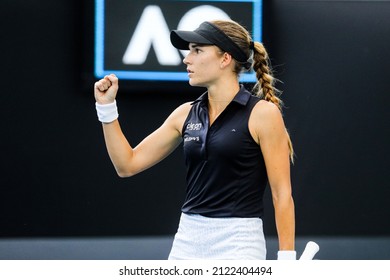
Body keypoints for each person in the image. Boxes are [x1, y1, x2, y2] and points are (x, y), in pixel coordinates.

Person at [94, 20, 295, 260]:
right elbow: (127, 164)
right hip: (187, 240)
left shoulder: (263, 114)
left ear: (225, 59)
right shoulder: (184, 113)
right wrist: (106, 108)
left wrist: (287, 261)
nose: (186, 59)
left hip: (239, 243)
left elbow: (281, 194)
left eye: (197, 50)